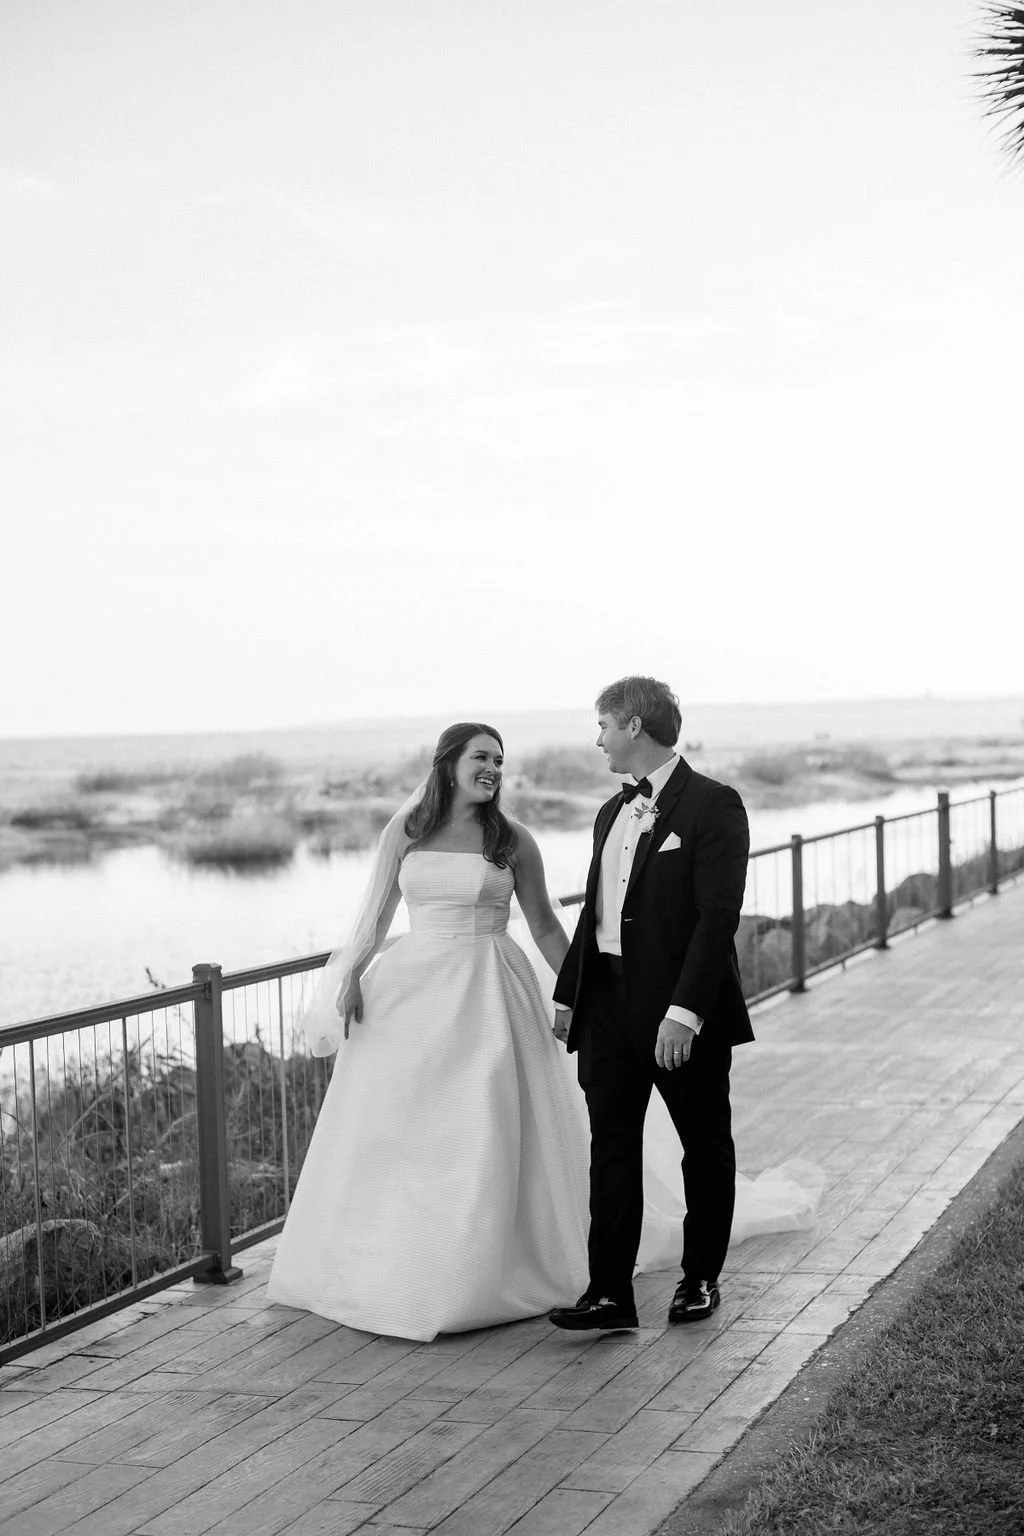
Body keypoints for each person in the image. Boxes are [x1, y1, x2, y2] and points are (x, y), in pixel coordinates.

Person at [266, 722, 592, 1341]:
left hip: (490, 990)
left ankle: (481, 1267)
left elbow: (547, 925)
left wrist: (578, 990)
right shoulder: (407, 830)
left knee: (484, 1123)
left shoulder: (512, 838)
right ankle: (393, 1261)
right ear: (448, 764)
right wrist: (352, 974)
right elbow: (377, 910)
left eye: (500, 758)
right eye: (481, 757)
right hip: (411, 992)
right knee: (398, 1126)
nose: (493, 767)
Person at [549, 675, 755, 1332]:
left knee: (703, 1145)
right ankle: (609, 1293)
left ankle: (700, 1278)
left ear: (634, 726)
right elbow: (598, 914)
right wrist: (568, 995)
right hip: (605, 1006)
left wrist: (684, 1013)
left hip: (675, 1014)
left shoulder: (714, 805)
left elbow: (716, 918)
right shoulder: (612, 812)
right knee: (610, 1148)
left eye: (604, 725)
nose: (599, 738)